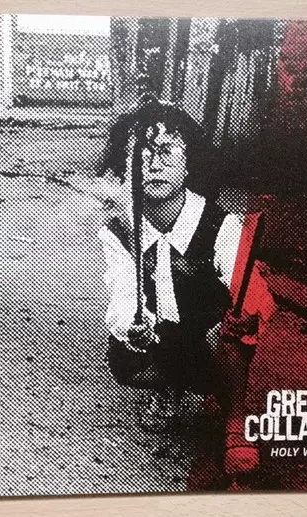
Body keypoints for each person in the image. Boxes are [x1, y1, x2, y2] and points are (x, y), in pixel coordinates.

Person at [96, 97, 275, 476]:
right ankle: (168, 387)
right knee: (125, 362)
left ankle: (235, 420)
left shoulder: (219, 225)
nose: (153, 164)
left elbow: (254, 290)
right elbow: (122, 291)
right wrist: (134, 327)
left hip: (206, 336)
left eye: (166, 151)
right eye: (141, 155)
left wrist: (246, 311)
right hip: (158, 340)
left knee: (233, 324)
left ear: (189, 160)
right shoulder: (120, 230)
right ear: (126, 167)